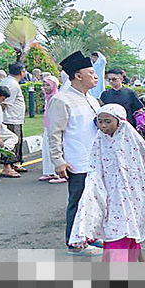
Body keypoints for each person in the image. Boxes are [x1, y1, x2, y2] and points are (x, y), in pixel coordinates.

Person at [68, 104, 145, 262]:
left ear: (120, 121)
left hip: (132, 196)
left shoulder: (131, 139)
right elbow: (94, 168)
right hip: (110, 197)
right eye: (100, 121)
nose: (103, 125)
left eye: (108, 121)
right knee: (116, 232)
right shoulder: (99, 141)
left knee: (129, 230)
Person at [48, 51, 102, 256]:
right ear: (78, 76)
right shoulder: (62, 100)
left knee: (95, 201)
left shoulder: (93, 100)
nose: (95, 76)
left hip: (96, 161)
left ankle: (90, 236)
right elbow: (54, 133)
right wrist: (58, 161)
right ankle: (74, 243)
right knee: (78, 202)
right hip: (76, 161)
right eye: (91, 73)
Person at [0, 62, 27, 177]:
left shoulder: (8, 81)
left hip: (14, 118)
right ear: (21, 72)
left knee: (17, 142)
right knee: (11, 142)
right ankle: (7, 167)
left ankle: (14, 163)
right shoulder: (12, 85)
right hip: (10, 118)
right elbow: (4, 103)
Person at [38, 76, 65, 184]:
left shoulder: (57, 98)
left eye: (48, 85)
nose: (45, 87)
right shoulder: (48, 97)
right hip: (47, 126)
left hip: (55, 127)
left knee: (55, 149)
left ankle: (60, 173)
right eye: (44, 85)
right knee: (46, 149)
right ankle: (49, 172)